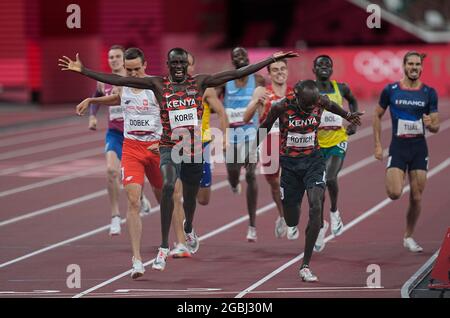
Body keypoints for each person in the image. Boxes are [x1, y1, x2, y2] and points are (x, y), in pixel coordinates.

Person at [60, 48, 298, 271]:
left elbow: (237, 73)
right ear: (168, 65)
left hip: (193, 147)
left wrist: (270, 60)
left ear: (187, 65)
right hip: (167, 147)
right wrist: (84, 71)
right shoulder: (157, 84)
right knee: (169, 186)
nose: (178, 66)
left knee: (193, 199)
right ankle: (164, 247)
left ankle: (188, 228)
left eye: (182, 62)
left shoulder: (200, 82)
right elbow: (120, 81)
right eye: (174, 63)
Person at [75, 48, 189, 279]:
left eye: (137, 69)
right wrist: (92, 99)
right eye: (129, 70)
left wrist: (169, 141)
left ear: (145, 64)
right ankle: (137, 260)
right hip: (132, 149)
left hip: (157, 148)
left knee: (169, 195)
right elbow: (117, 98)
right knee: (134, 201)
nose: (133, 73)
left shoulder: (157, 86)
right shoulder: (124, 84)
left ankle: (181, 240)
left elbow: (175, 114)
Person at [249, 80, 363, 281]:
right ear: (297, 97)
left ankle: (305, 265)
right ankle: (294, 219)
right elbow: (265, 126)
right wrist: (251, 151)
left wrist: (348, 116)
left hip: (313, 162)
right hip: (290, 166)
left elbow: (334, 106)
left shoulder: (319, 100)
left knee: (316, 206)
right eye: (306, 106)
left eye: (313, 106)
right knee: (292, 219)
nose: (310, 109)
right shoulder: (281, 106)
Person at [373, 51, 439, 253]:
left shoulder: (429, 92)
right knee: (394, 193)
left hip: (419, 148)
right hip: (398, 147)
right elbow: (377, 114)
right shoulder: (391, 90)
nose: (414, 67)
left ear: (421, 67)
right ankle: (397, 175)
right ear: (404, 66)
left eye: (417, 64)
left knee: (417, 197)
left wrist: (430, 124)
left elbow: (436, 126)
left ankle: (408, 236)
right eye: (410, 64)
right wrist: (377, 144)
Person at [87, 45, 150, 236]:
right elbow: (96, 96)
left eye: (117, 57)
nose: (113, 60)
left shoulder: (132, 80)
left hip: (133, 135)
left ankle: (142, 197)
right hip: (114, 134)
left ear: (124, 60)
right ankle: (115, 216)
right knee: (111, 171)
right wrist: (92, 115)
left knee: (130, 178)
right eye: (110, 57)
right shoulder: (103, 83)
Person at [217, 47, 265, 242]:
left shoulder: (258, 80)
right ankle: (234, 183)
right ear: (232, 61)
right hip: (232, 136)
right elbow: (213, 101)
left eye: (243, 55)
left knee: (252, 174)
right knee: (233, 173)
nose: (240, 58)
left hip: (251, 134)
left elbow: (265, 102)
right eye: (236, 56)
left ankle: (252, 225)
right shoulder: (226, 82)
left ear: (248, 58)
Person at [312, 55, 359, 252]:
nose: (324, 67)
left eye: (328, 64)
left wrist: (353, 123)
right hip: (316, 144)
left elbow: (353, 101)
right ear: (313, 69)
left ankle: (334, 212)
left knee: (330, 178)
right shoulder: (309, 89)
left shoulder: (341, 88)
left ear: (332, 69)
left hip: (338, 140)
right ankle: (321, 226)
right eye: (320, 64)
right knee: (317, 189)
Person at [243, 58, 292, 239]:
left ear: (287, 71)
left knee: (289, 183)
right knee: (275, 185)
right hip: (269, 142)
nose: (280, 72)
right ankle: (282, 216)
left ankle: (288, 216)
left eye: (283, 69)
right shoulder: (262, 91)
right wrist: (256, 102)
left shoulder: (295, 92)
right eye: (275, 69)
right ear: (269, 74)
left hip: (290, 142)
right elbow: (247, 117)